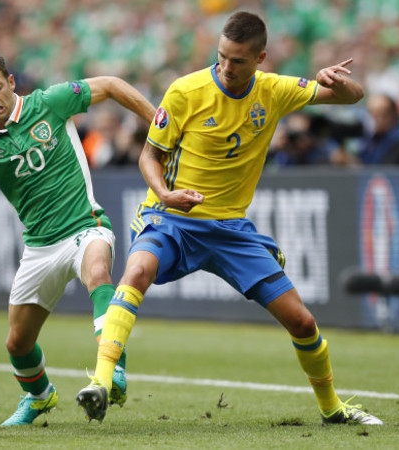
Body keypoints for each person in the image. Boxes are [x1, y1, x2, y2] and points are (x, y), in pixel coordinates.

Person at [76, 11, 383, 426]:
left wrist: (340, 83)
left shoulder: (274, 91)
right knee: (137, 272)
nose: (226, 67)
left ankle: (332, 409)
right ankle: (101, 381)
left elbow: (353, 98)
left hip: (230, 230)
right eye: (221, 56)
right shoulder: (186, 91)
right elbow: (151, 155)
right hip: (172, 218)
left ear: (261, 59)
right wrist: (166, 193)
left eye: (238, 60)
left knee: (302, 320)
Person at [0, 51, 155, 426]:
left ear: (11, 83)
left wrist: (158, 121)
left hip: (85, 226)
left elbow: (110, 85)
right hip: (39, 247)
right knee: (17, 344)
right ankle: (39, 396)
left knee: (98, 272)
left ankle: (113, 372)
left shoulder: (49, 102)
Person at [357, 93, 399, 165]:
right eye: (371, 113)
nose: (374, 119)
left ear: (393, 115)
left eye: (379, 114)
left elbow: (383, 173)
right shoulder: (372, 139)